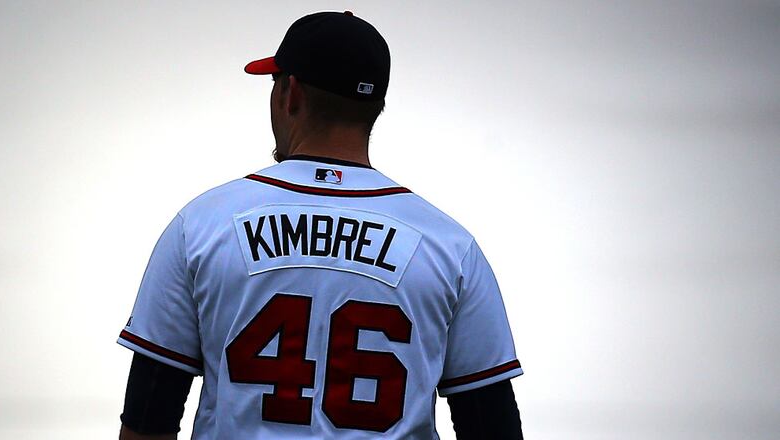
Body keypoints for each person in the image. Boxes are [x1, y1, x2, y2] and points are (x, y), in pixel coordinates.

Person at [118, 10, 524, 440]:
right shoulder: (450, 246)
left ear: (290, 94)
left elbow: (149, 415)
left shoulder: (202, 224)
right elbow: (490, 423)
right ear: (376, 107)